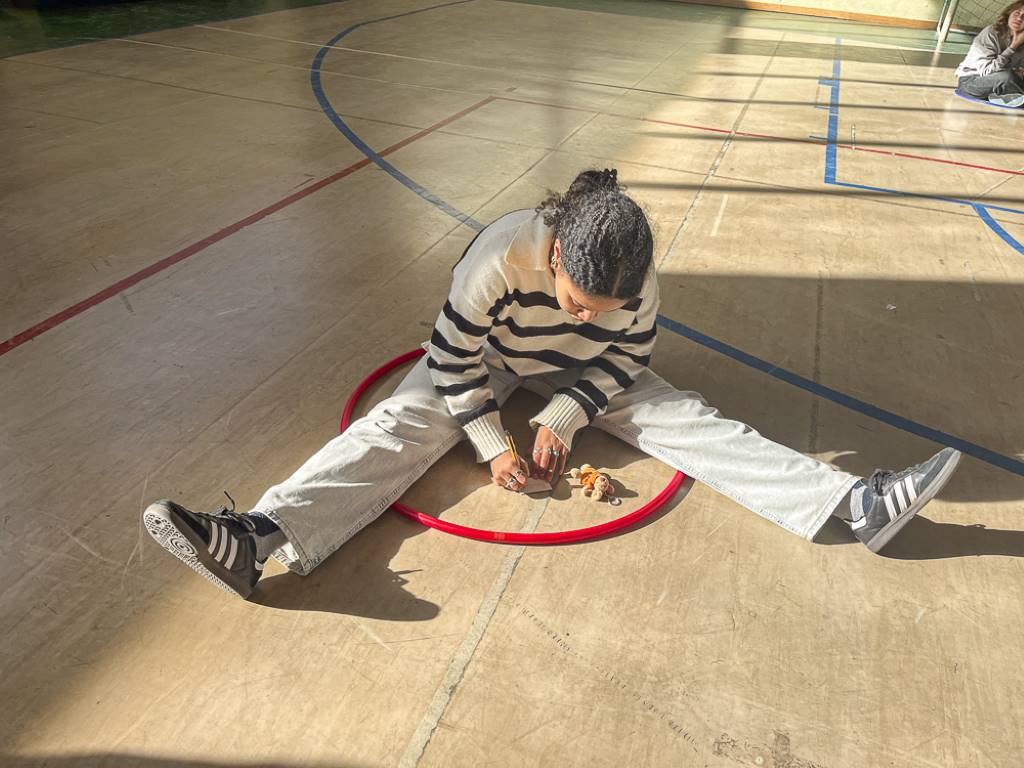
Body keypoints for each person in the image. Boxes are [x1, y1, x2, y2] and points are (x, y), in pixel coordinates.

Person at [142, 169, 961, 599]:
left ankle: (852, 504)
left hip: (585, 379)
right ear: (557, 253)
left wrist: (568, 410)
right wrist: (491, 441)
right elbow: (455, 359)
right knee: (399, 423)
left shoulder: (637, 283)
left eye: (607, 308)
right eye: (577, 302)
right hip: (489, 359)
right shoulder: (499, 256)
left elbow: (625, 358)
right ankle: (259, 536)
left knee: (691, 420)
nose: (590, 314)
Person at [955, 1, 1024, 107]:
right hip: (972, 81)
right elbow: (987, 71)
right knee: (1007, 78)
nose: (1019, 18)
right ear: (1009, 14)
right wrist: (1013, 47)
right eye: (1017, 13)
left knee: (1010, 78)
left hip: (1003, 82)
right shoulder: (991, 33)